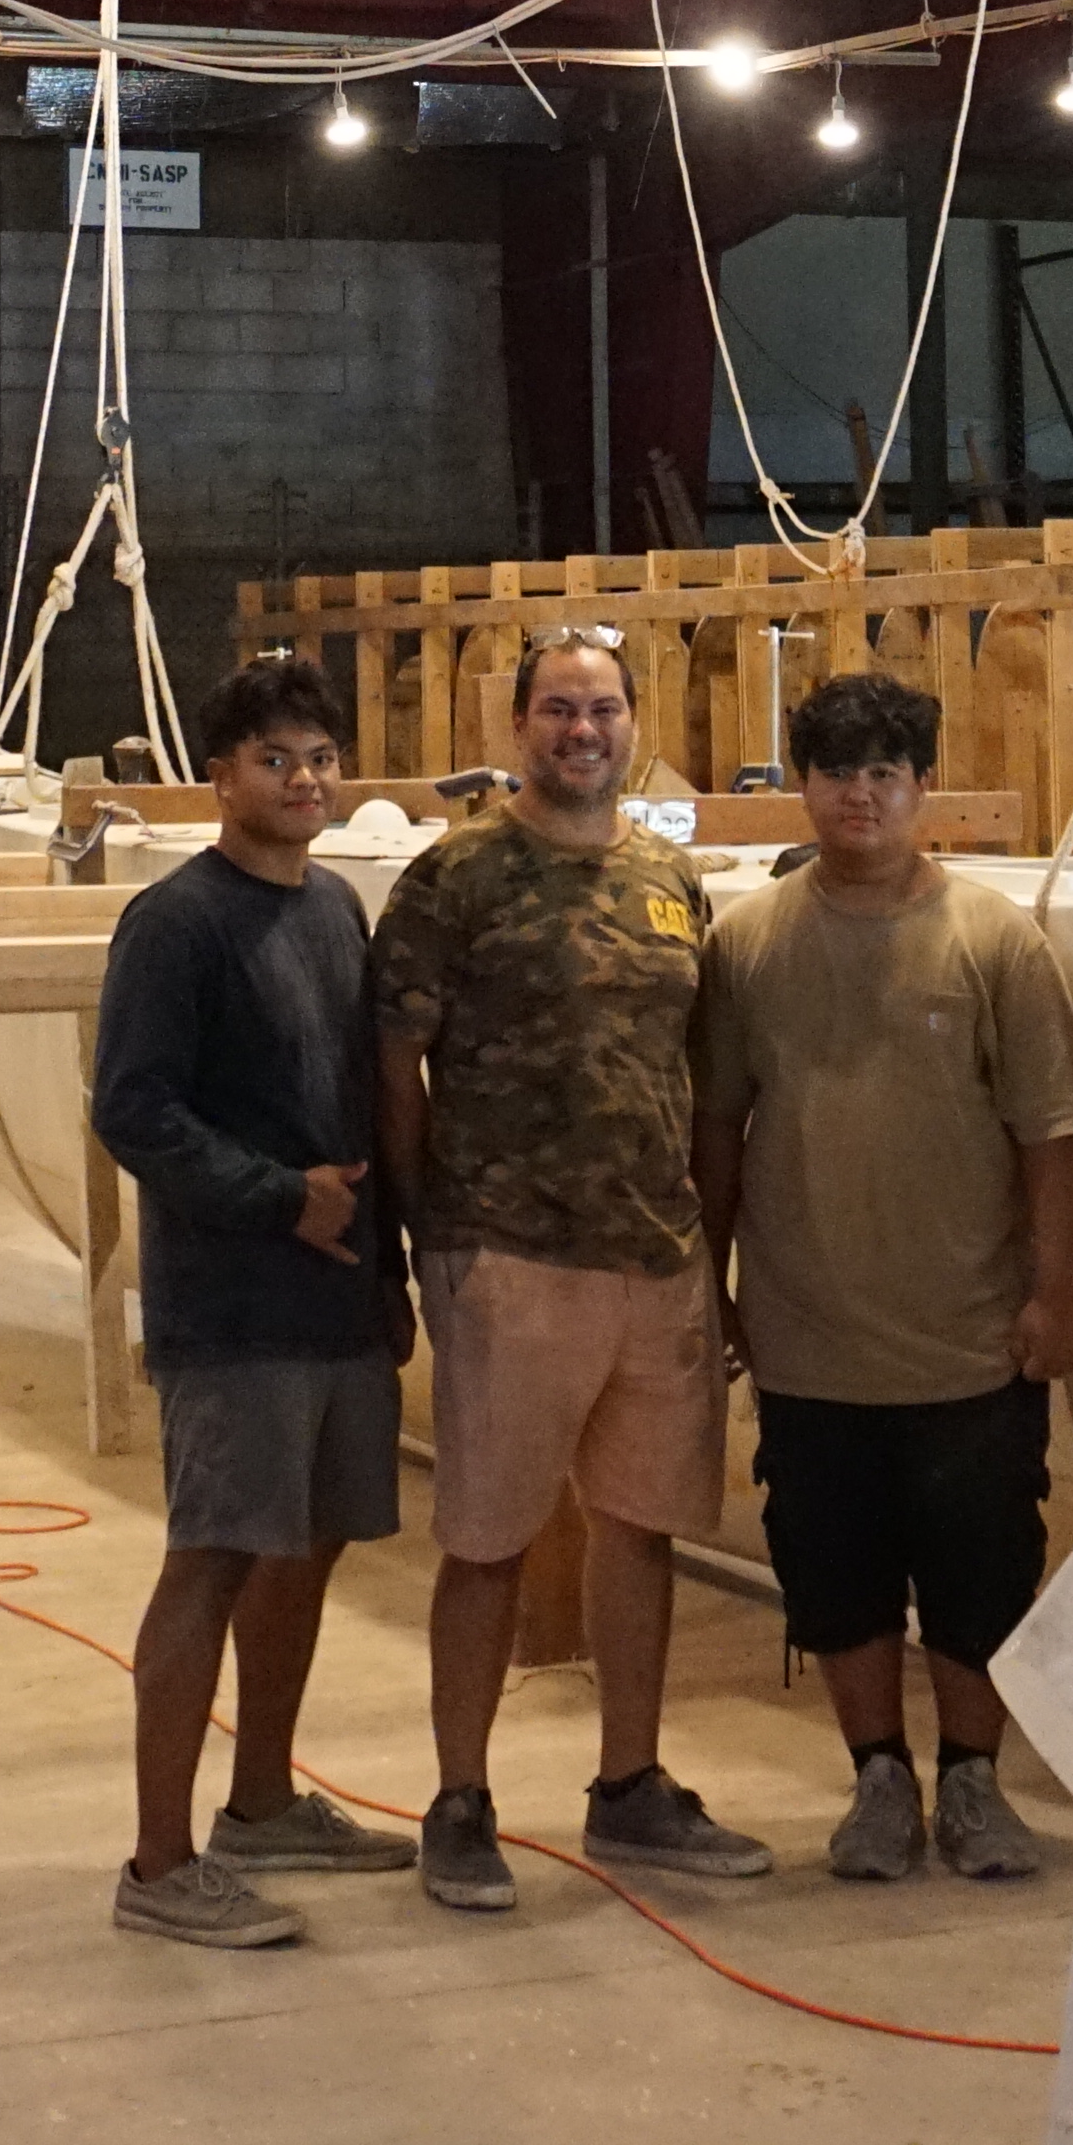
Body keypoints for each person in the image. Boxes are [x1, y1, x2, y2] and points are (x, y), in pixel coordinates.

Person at [372, 624, 778, 1911]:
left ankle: (630, 1785)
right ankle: (460, 1799)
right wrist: (423, 1226)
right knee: (487, 1537)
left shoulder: (673, 881)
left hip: (654, 1258)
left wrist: (711, 1254)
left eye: (602, 709)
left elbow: (702, 1079)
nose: (580, 731)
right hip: (508, 1251)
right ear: (518, 723)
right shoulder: (457, 881)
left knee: (642, 1527)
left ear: (633, 724)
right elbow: (395, 1065)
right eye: (557, 709)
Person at [694, 668, 1073, 1885]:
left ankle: (973, 1785)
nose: (859, 795)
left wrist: (1054, 1296)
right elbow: (717, 1129)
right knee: (832, 1568)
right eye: (835, 772)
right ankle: (878, 1777)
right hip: (809, 1337)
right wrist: (708, 1286)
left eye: (885, 772)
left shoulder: (995, 941)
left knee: (982, 1567)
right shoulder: (749, 942)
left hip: (970, 1338)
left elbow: (1056, 1135)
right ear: (803, 787)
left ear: (923, 788)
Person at [87, 653, 419, 1949]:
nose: (305, 779)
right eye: (276, 758)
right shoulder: (177, 923)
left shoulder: (336, 910)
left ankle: (266, 1804)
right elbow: (132, 1109)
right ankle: (159, 1867)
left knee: (307, 1549)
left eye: (321, 759)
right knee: (214, 1559)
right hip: (233, 1301)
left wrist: (385, 1272)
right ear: (219, 775)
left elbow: (366, 1106)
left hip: (336, 1303)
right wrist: (281, 1199)